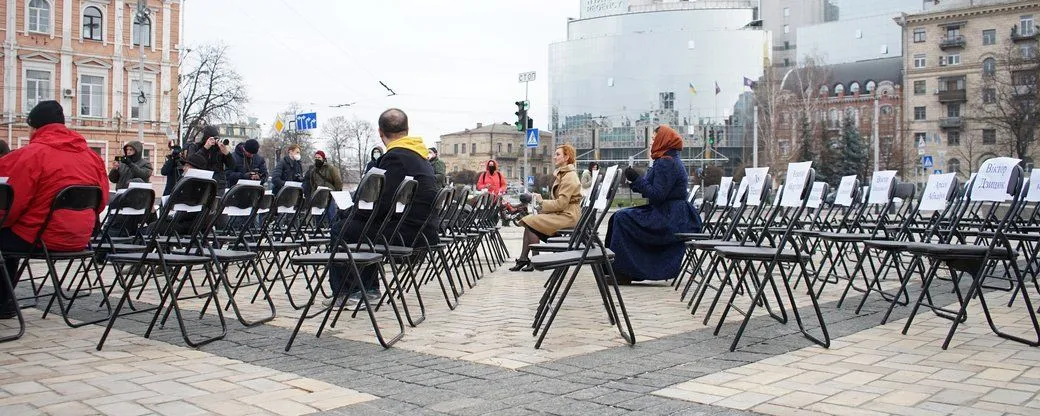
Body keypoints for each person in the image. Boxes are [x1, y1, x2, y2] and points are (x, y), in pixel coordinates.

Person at [0, 100, 109, 319]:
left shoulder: (33, 154)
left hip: (42, 238)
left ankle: (4, 303)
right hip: (80, 239)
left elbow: (12, 205)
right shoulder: (91, 156)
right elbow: (102, 201)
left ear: (35, 126)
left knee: (4, 235)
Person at [326, 108, 440, 308]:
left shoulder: (396, 157)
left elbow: (381, 202)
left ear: (380, 132)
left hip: (406, 234)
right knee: (359, 227)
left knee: (342, 229)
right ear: (407, 129)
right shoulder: (419, 156)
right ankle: (368, 288)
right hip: (422, 229)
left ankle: (349, 292)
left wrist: (350, 212)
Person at [606, 125, 702, 284]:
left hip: (670, 217)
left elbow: (657, 195)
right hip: (671, 213)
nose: (651, 142)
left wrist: (637, 180)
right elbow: (652, 190)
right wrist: (636, 181)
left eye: (653, 139)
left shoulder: (666, 162)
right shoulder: (665, 160)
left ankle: (623, 271)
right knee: (619, 216)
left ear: (662, 140)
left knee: (622, 218)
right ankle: (622, 270)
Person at [509, 144, 581, 272]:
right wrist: (543, 205)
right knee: (530, 221)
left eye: (558, 154)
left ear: (566, 157)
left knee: (531, 221)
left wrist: (542, 202)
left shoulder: (569, 176)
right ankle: (524, 259)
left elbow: (561, 204)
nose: (554, 157)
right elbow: (560, 203)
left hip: (568, 217)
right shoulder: (564, 174)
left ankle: (534, 261)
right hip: (565, 213)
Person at [185, 125, 235, 191]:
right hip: (199, 184)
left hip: (218, 185)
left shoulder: (219, 149)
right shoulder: (195, 147)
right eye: (212, 139)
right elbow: (192, 161)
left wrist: (227, 154)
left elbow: (232, 166)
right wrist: (205, 148)